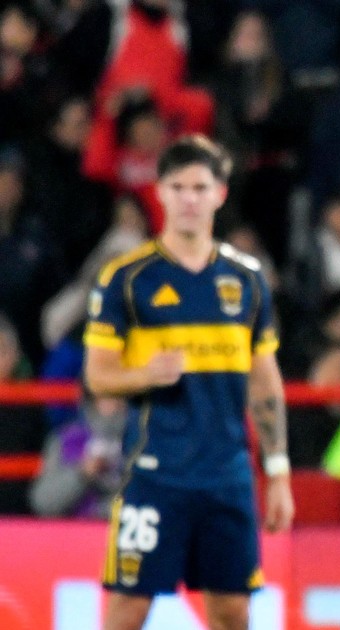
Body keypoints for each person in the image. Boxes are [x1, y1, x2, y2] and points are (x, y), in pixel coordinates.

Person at [83, 135, 294, 630]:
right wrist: (145, 374)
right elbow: (97, 376)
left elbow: (264, 381)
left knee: (232, 610)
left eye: (200, 188)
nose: (189, 200)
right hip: (154, 472)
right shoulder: (126, 279)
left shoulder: (247, 279)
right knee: (129, 607)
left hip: (227, 475)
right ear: (160, 192)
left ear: (220, 194)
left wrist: (279, 472)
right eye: (178, 187)